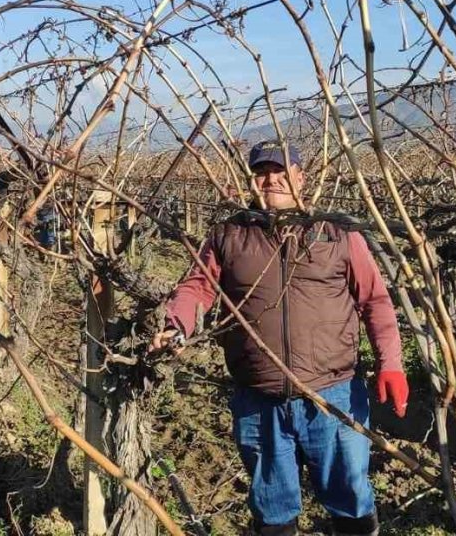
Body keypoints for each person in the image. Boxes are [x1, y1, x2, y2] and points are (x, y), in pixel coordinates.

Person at [152, 140, 409, 536]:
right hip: (259, 398)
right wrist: (176, 325)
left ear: (300, 177)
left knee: (351, 499)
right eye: (261, 173)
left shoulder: (335, 232)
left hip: (333, 394)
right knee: (272, 509)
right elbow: (197, 288)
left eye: (279, 171)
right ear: (251, 181)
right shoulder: (229, 234)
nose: (270, 180)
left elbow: (375, 300)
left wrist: (390, 363)